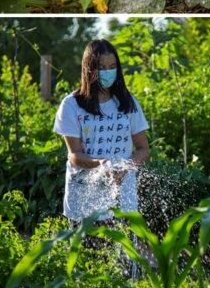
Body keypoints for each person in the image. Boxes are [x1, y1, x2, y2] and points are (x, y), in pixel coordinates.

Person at [53, 40, 150, 224]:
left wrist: (125, 168)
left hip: (122, 198)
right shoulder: (71, 105)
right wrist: (101, 164)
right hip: (84, 197)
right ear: (89, 69)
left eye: (112, 66)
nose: (108, 72)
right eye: (102, 67)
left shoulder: (128, 102)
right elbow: (74, 154)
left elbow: (143, 150)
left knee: (123, 250)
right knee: (85, 250)